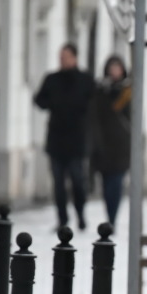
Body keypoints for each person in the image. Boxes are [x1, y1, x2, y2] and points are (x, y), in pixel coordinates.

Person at [34, 43, 95, 230]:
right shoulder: (52, 79)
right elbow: (39, 99)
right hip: (56, 140)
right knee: (58, 184)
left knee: (78, 181)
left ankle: (80, 214)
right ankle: (62, 219)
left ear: (75, 58)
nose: (63, 60)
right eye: (61, 56)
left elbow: (93, 104)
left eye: (66, 56)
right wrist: (52, 103)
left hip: (77, 140)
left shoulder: (85, 80)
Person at [89, 55, 132, 228]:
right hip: (103, 144)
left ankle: (112, 218)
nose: (115, 71)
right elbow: (94, 115)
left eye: (118, 68)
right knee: (106, 184)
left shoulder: (128, 91)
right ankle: (109, 214)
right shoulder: (100, 90)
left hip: (122, 144)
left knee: (116, 183)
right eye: (112, 68)